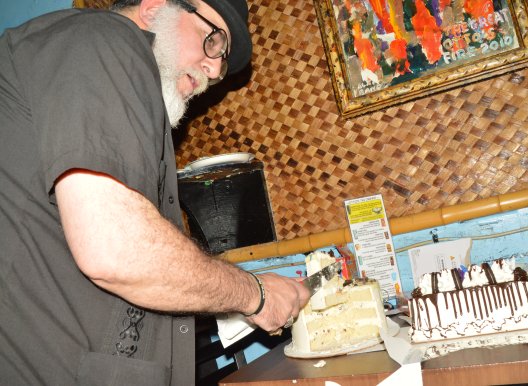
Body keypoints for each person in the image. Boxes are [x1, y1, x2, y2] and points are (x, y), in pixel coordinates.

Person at [0, 0, 311, 384]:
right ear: (153, 8)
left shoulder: (117, 82)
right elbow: (118, 249)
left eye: (222, 60)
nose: (214, 69)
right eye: (212, 40)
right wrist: (256, 295)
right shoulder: (106, 40)